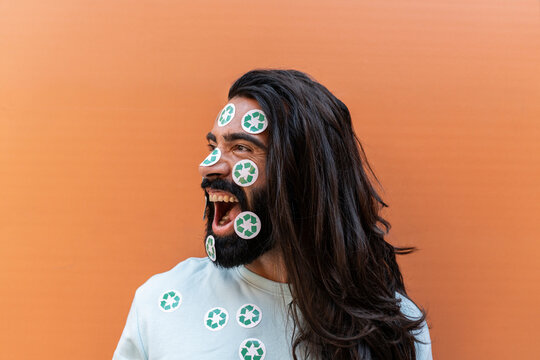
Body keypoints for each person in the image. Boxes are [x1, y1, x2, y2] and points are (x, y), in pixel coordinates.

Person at [113, 70, 432, 360]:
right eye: (214, 146)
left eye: (241, 147)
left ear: (300, 175)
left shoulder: (393, 328)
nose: (208, 165)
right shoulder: (160, 306)